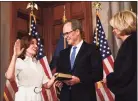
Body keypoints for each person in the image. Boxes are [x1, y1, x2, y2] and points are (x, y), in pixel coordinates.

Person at [55, 19, 103, 101]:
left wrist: (80, 80)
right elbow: (59, 72)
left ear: (77, 32)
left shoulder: (92, 49)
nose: (65, 37)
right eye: (64, 34)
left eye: (67, 33)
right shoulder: (63, 53)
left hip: (85, 96)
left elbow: (98, 74)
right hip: (65, 97)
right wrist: (61, 80)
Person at [5, 35, 56, 101]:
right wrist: (15, 55)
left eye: (36, 44)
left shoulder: (38, 64)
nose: (36, 46)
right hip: (24, 97)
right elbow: (9, 76)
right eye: (32, 43)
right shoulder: (19, 61)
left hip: (38, 97)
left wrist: (55, 76)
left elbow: (46, 85)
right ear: (25, 45)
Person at [103, 10, 137, 101]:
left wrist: (109, 78)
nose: (113, 30)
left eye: (115, 27)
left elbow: (125, 73)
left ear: (123, 25)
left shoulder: (129, 44)